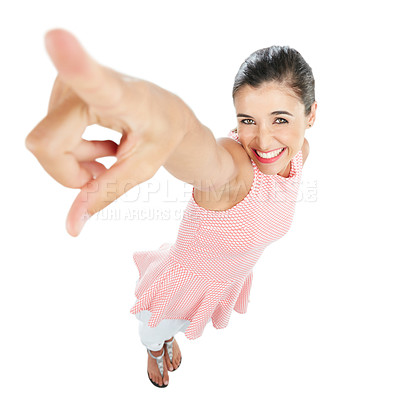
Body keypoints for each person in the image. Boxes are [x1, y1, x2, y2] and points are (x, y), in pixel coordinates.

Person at [26, 29, 317, 388]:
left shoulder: (301, 154)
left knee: (172, 328)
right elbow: (204, 154)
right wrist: (172, 123)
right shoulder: (235, 171)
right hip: (180, 284)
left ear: (311, 116)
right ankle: (154, 350)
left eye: (281, 120)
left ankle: (166, 338)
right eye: (247, 121)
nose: (264, 140)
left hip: (224, 278)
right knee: (154, 330)